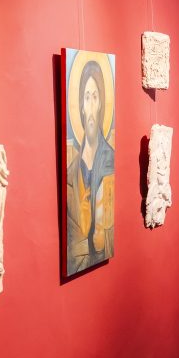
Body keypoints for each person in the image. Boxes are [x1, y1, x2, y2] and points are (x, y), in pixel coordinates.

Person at [66, 60, 115, 274]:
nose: (92, 106)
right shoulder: (72, 170)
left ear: (102, 103)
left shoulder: (110, 160)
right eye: (87, 97)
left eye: (95, 97)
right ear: (81, 107)